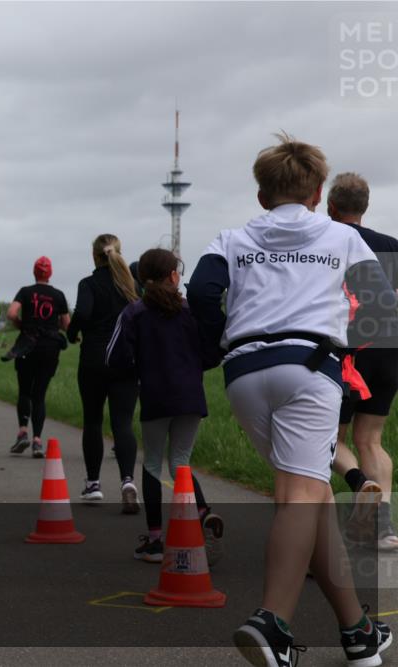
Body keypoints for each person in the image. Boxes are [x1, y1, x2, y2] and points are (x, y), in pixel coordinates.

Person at [187, 133, 393, 667]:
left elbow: (201, 292)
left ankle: (357, 631)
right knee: (301, 494)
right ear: (318, 193)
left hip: (244, 373)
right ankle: (272, 623)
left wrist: (219, 337)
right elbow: (380, 306)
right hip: (309, 368)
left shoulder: (232, 238)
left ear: (261, 195)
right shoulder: (342, 237)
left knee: (313, 498)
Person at [107, 248, 223, 564]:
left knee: (153, 464)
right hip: (191, 396)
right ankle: (203, 511)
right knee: (181, 462)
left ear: (141, 277)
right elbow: (212, 352)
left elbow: (114, 357)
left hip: (156, 396)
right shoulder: (190, 312)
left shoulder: (134, 313)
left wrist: (139, 369)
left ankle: (156, 541)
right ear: (174, 275)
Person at [325, 173, 398, 551]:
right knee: (371, 439)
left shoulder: (328, 241)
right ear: (364, 207)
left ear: (331, 207)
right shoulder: (392, 246)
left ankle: (359, 484)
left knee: (331, 439)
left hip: (347, 350)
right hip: (389, 349)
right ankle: (382, 527)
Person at [66, 234, 141, 514]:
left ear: (94, 256)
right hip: (126, 360)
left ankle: (94, 484)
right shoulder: (132, 285)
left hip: (94, 360)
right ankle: (128, 481)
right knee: (123, 423)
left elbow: (83, 313)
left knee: (93, 421)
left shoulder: (88, 284)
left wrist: (72, 332)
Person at [5, 256, 70, 459]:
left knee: (25, 392)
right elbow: (66, 324)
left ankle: (23, 432)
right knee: (39, 395)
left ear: (34, 272)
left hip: (27, 346)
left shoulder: (25, 292)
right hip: (49, 349)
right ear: (50, 273)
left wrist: (22, 325)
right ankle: (37, 441)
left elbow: (11, 313)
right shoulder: (58, 295)